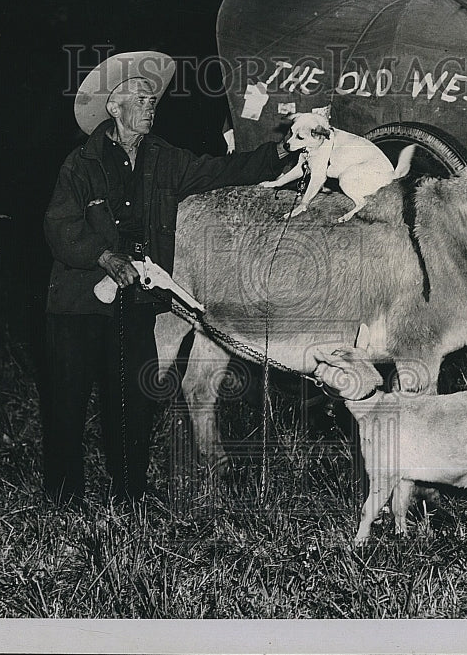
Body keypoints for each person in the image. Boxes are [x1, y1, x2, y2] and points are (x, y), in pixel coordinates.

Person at [42, 51, 293, 507]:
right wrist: (103, 256)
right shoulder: (80, 164)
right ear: (113, 107)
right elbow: (59, 228)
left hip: (134, 301)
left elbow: (222, 170)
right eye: (140, 99)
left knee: (131, 406)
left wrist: (280, 152)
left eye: (153, 100)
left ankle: (130, 498)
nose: (150, 107)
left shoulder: (164, 159)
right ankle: (63, 503)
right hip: (78, 304)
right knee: (68, 407)